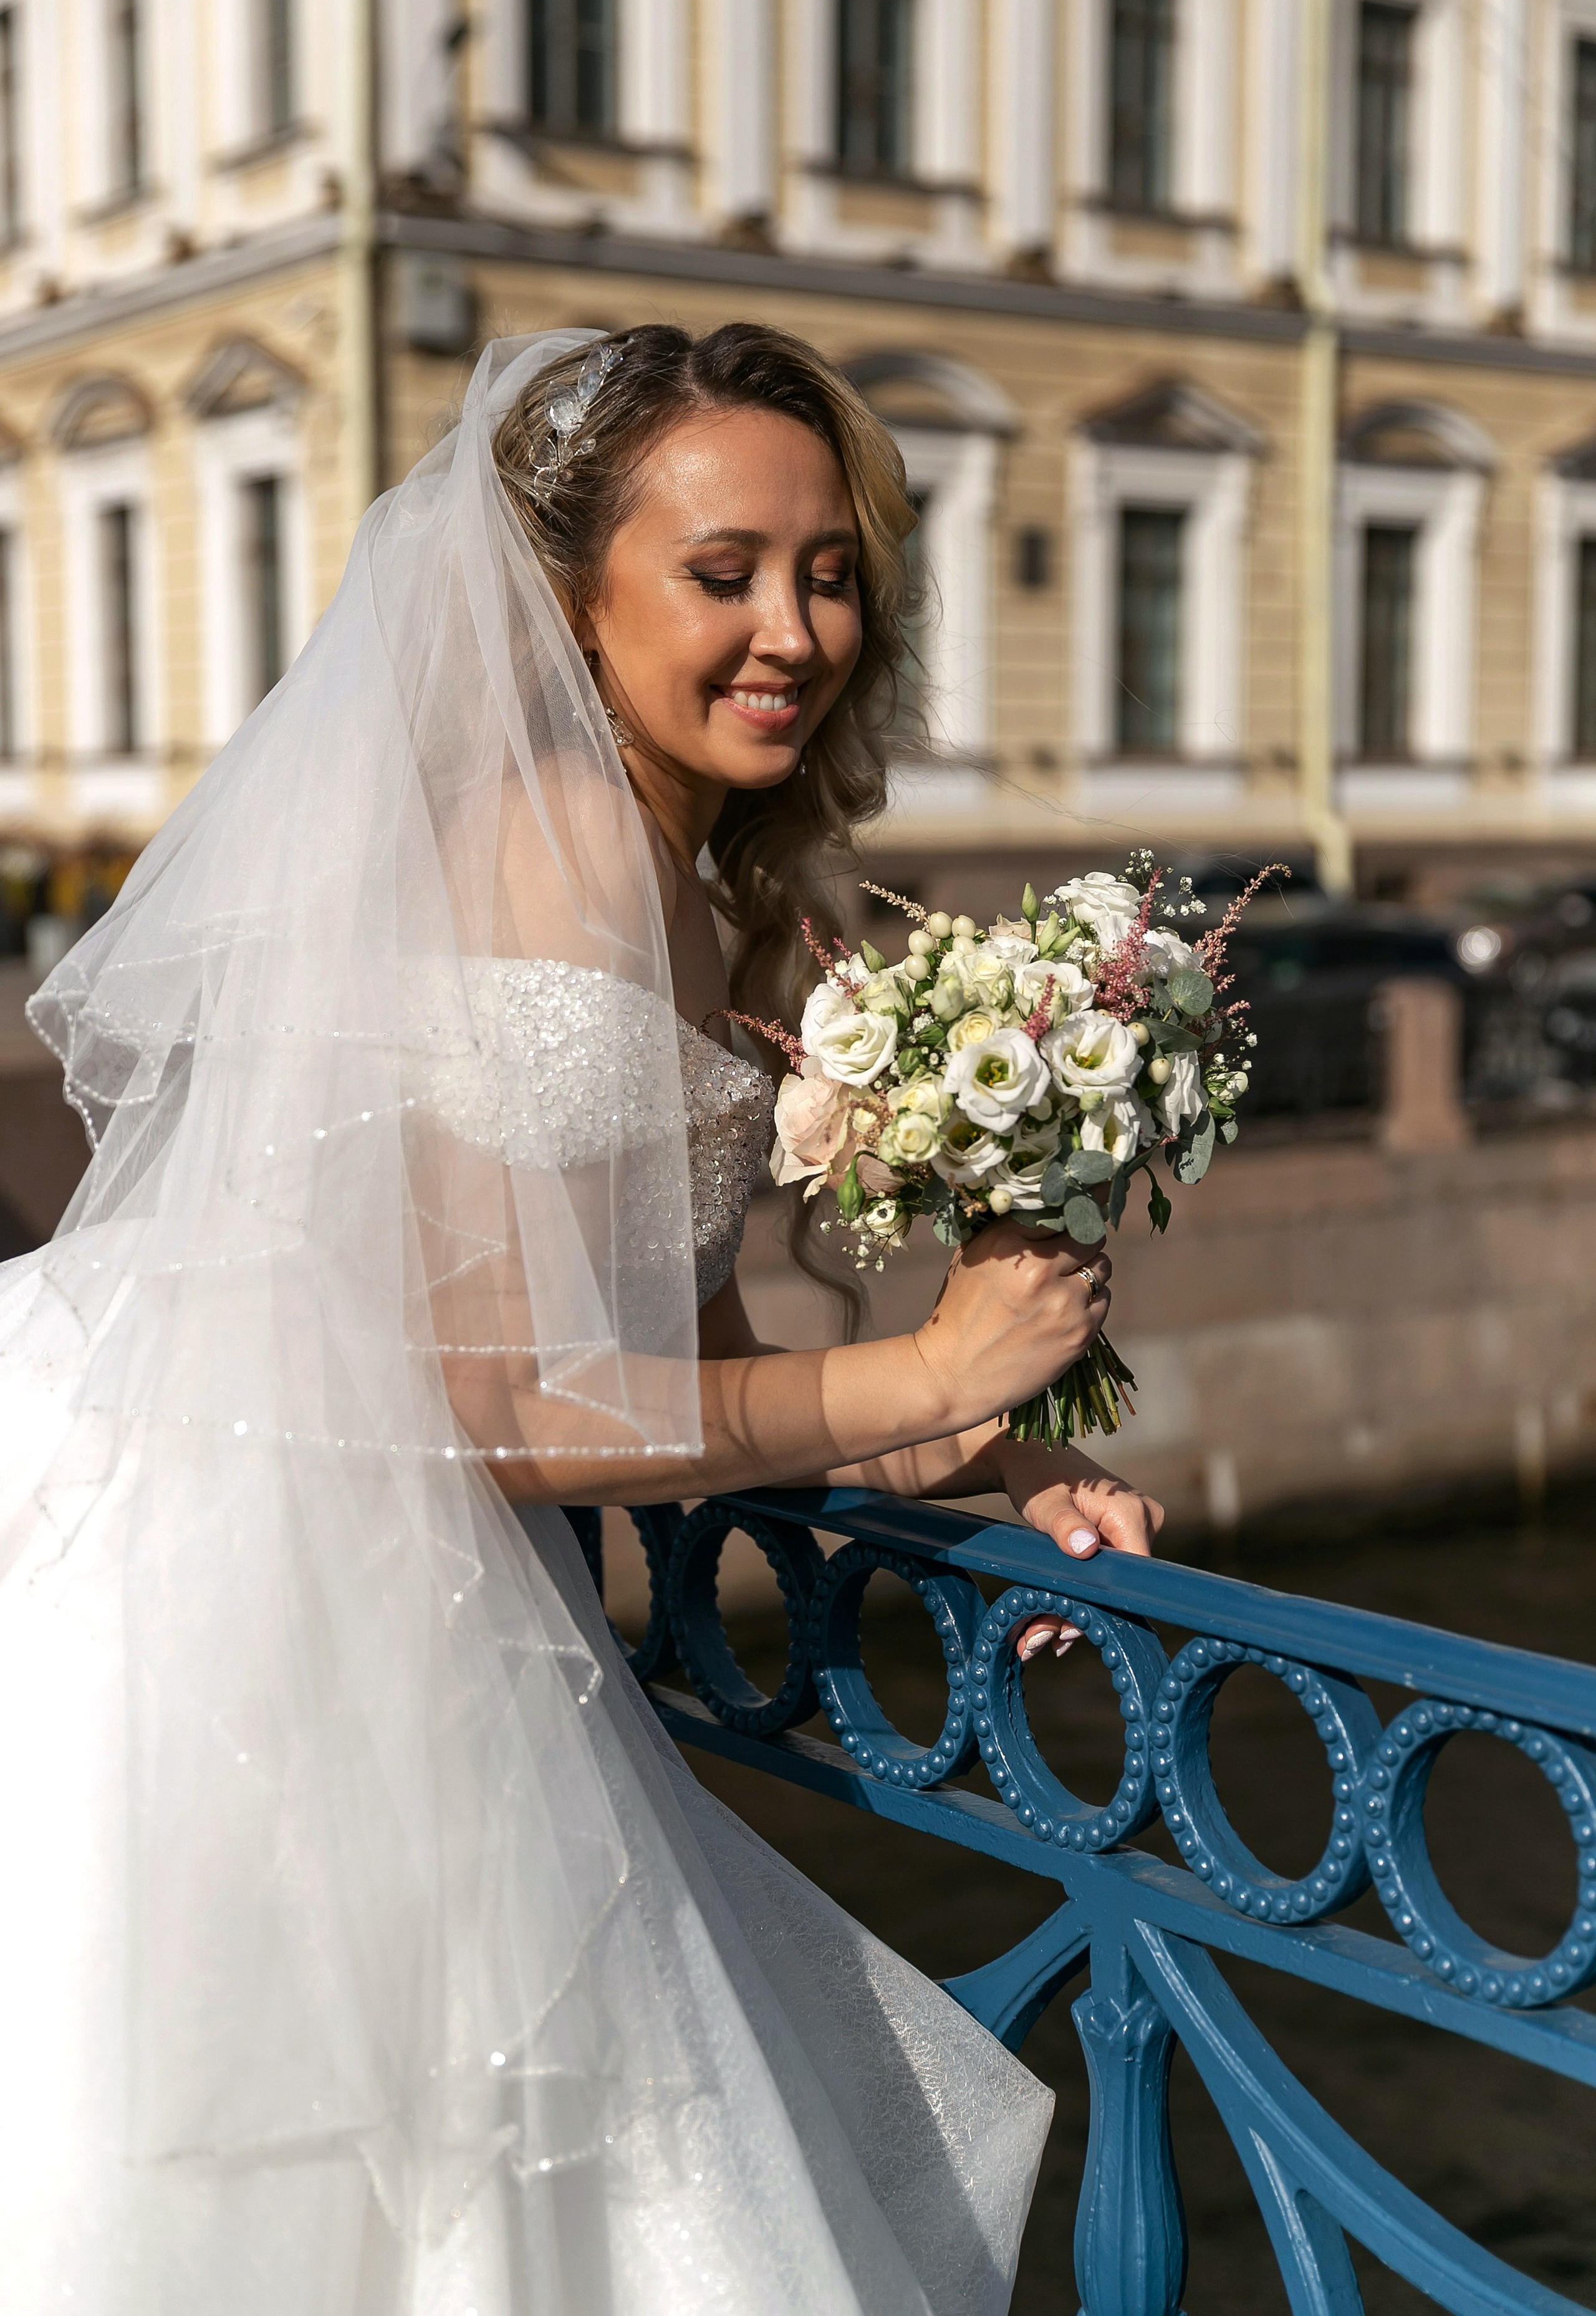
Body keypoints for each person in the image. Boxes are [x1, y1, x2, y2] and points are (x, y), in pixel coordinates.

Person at [0, 324, 1161, 2315]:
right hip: (271, 1617)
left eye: (830, 572)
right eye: (723, 573)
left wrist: (991, 1449)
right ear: (573, 597)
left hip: (349, 1571)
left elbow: (696, 1376)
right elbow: (494, 1402)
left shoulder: (668, 869)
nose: (793, 629)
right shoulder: (561, 848)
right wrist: (930, 1359)